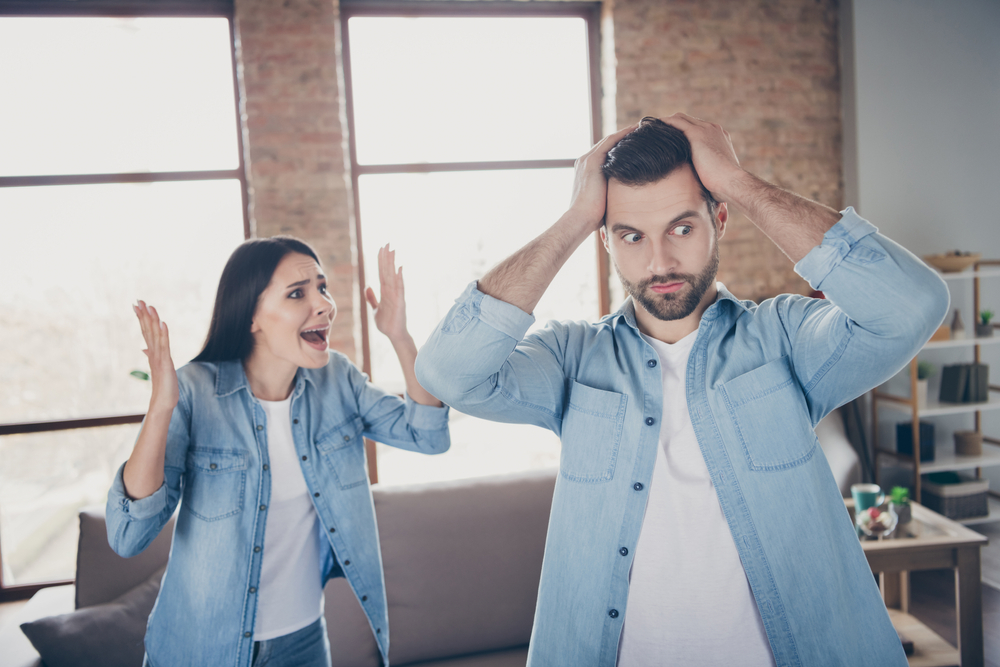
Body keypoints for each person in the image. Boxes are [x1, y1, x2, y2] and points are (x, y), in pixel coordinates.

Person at [415, 115, 949, 666]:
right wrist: (576, 216)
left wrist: (737, 182)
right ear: (605, 240)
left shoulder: (784, 338)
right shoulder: (571, 359)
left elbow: (912, 307)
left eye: (682, 227)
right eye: (631, 235)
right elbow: (448, 372)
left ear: (719, 218)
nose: (659, 262)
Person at [107, 238, 449, 667]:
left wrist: (399, 335)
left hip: (303, 645)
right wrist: (160, 409)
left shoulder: (337, 381)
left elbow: (428, 436)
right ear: (252, 316)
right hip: (200, 647)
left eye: (321, 288)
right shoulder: (195, 392)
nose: (323, 304)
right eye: (297, 293)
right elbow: (127, 535)